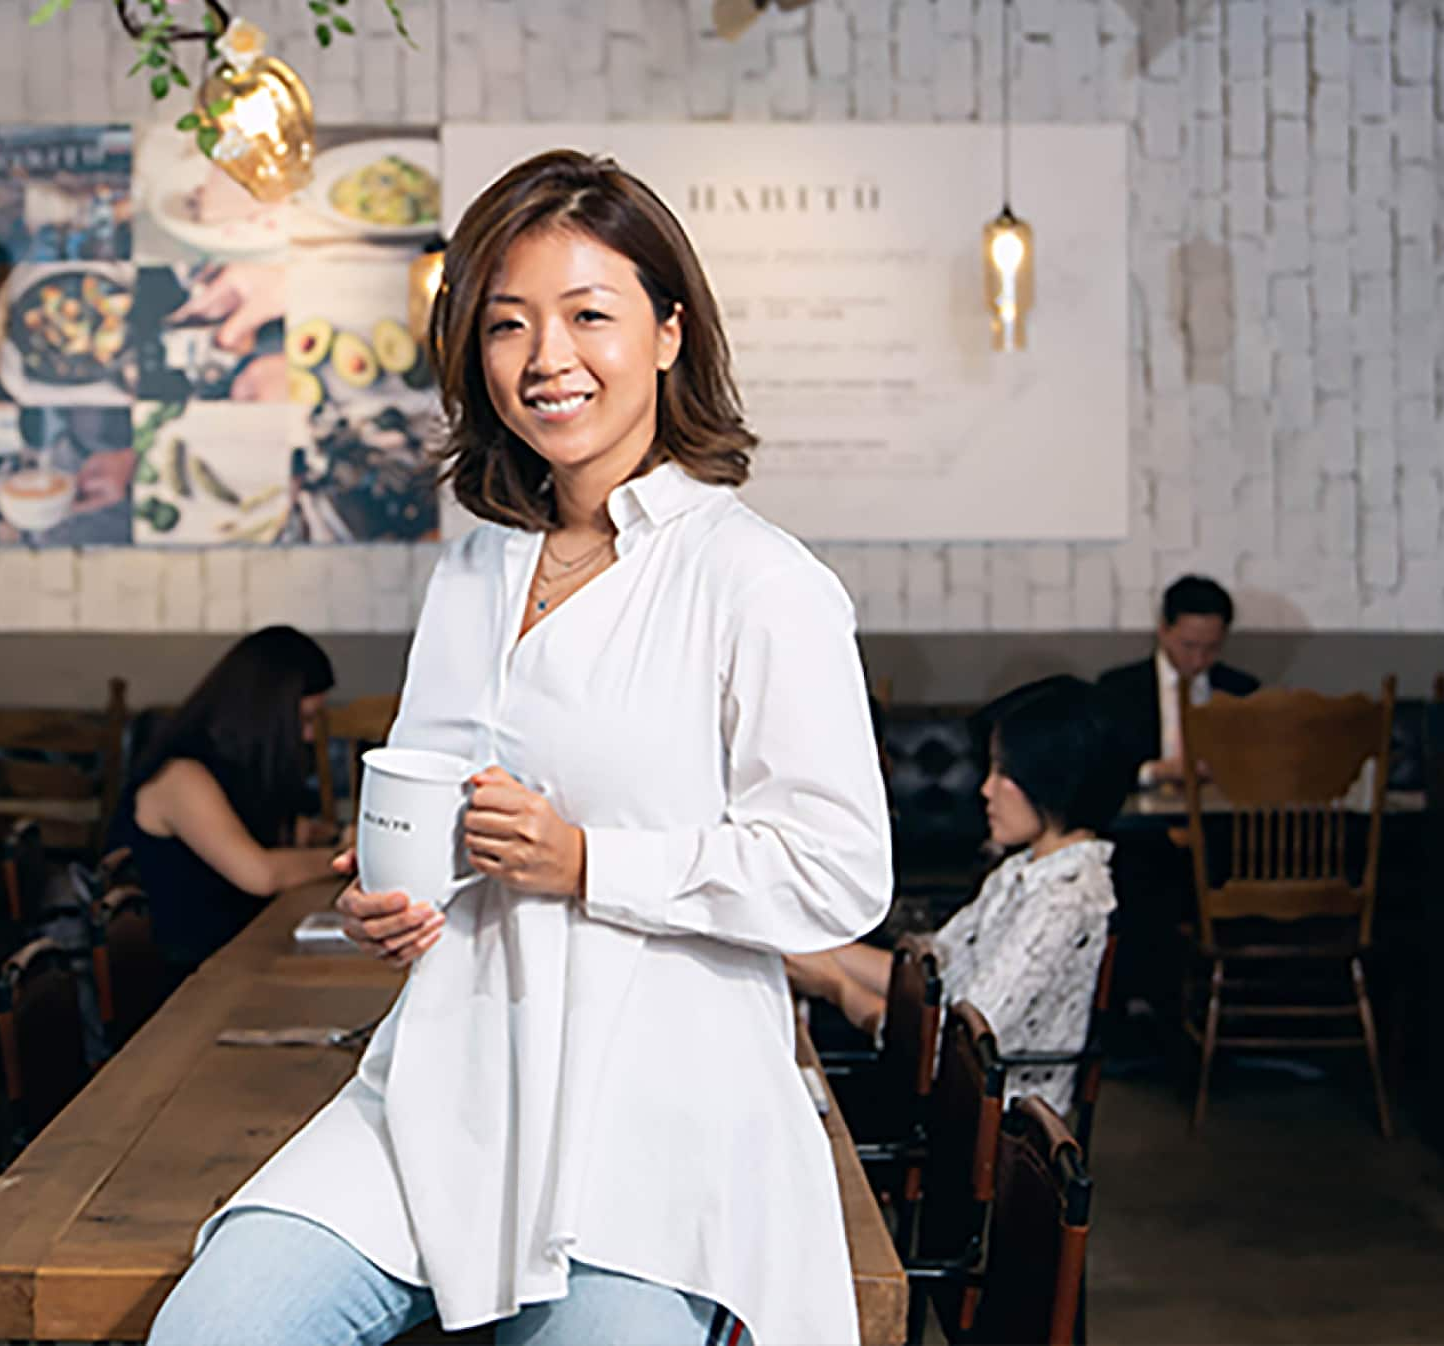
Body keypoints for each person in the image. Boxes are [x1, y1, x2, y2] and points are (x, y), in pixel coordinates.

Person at [149, 151, 890, 1346]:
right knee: (211, 1329)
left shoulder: (757, 578)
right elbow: (435, 816)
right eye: (507, 324)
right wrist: (395, 896)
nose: (547, 356)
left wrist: (589, 859)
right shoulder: (473, 569)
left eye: (588, 313)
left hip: (659, 1114)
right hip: (447, 1080)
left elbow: (840, 871)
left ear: (667, 332)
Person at [786, 678, 1126, 1115]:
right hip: (954, 1106)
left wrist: (838, 987)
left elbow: (955, 1047)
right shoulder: (1023, 872)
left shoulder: (1066, 900)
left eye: (1003, 773)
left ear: (1047, 780)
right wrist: (823, 951)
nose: (986, 789)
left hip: (988, 1129)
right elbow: (933, 971)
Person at [107, 625, 343, 973]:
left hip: (221, 957)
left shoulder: (232, 768)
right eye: (304, 719)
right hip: (177, 980)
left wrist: (328, 835)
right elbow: (259, 874)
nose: (309, 736)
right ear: (268, 713)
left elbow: (283, 831)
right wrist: (347, 859)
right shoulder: (181, 776)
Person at [1097, 574, 1260, 788]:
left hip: (1219, 813)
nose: (1198, 660)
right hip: (1140, 815)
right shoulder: (1118, 689)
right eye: (1188, 646)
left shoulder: (1242, 690)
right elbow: (1098, 769)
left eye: (1212, 648)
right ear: (1164, 630)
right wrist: (1154, 771)